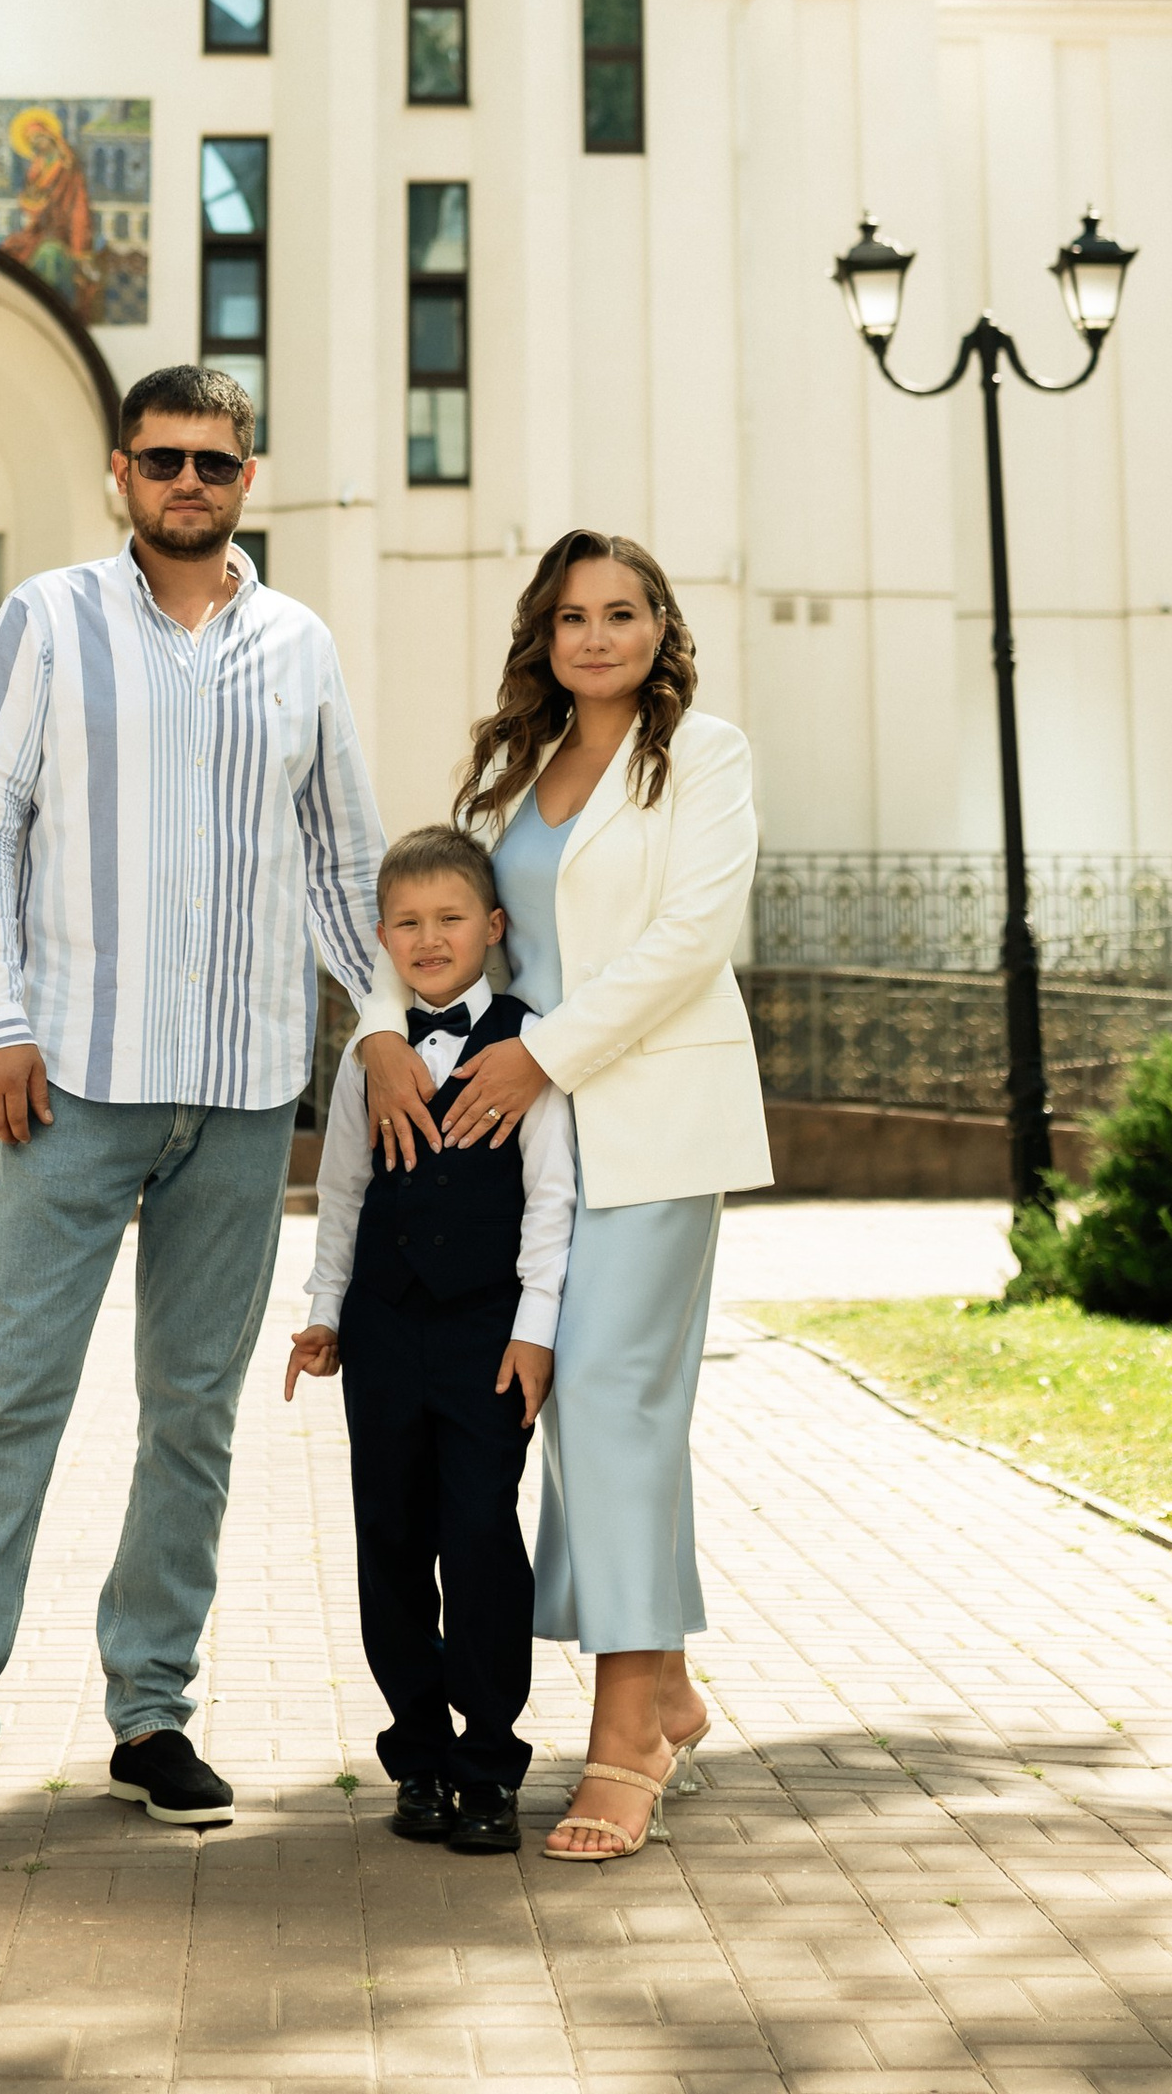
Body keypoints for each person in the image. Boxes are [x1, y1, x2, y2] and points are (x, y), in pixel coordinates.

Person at [0, 364, 386, 1867]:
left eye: (215, 459)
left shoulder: (299, 647)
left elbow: (344, 858)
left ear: (248, 476)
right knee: (9, 1404)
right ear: (119, 472)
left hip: (240, 1093)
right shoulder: (49, 619)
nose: (190, 481)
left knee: (193, 1421)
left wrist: (389, 1020)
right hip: (69, 1085)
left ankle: (153, 1714)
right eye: (164, 459)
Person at [355, 530, 770, 1863]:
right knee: (574, 1405)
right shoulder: (508, 777)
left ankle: (627, 1729)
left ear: (661, 625)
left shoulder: (704, 755)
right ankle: (664, 1682)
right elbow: (441, 922)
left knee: (606, 1401)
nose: (598, 636)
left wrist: (544, 1051)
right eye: (574, 615)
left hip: (649, 1123)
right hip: (521, 1151)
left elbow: (690, 938)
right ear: (543, 632)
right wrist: (376, 1031)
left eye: (624, 611)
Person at [285, 824, 574, 1857]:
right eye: (406, 922)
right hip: (386, 1326)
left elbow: (553, 1199)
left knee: (482, 1538)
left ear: (492, 927)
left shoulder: (528, 1043)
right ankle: (416, 1752)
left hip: (489, 1334)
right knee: (393, 1539)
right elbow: (343, 1190)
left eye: (450, 918)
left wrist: (536, 1330)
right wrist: (324, 1312)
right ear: (381, 938)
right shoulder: (374, 1056)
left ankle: (490, 1763)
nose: (429, 936)